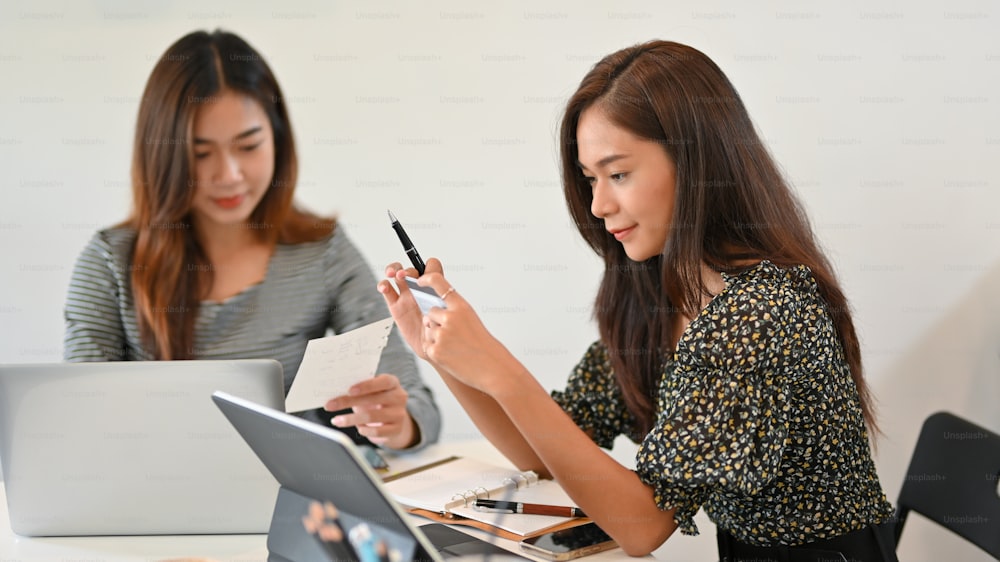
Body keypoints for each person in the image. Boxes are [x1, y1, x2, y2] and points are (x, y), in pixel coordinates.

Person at [379, 40, 898, 560]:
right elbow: (542, 453)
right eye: (590, 180)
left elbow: (643, 527)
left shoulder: (759, 311)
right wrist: (440, 350)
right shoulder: (661, 295)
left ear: (695, 161)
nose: (600, 205)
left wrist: (500, 369)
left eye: (619, 174)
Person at [63, 29, 439, 451]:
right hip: (157, 493)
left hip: (297, 497)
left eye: (248, 145)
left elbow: (418, 407)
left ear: (277, 139)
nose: (229, 175)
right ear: (162, 154)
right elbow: (83, 421)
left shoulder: (322, 251)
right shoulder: (111, 261)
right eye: (200, 153)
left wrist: (394, 424)